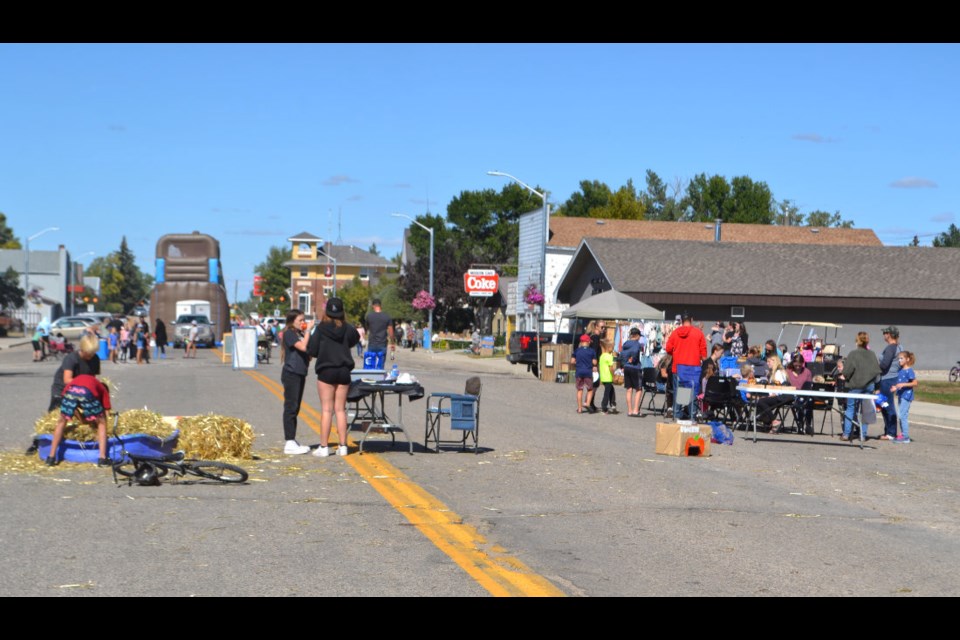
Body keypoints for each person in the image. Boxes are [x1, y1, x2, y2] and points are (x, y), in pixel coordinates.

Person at [308, 297, 360, 457]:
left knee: (326, 410)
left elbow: (312, 350)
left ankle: (324, 447)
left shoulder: (321, 329)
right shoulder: (347, 328)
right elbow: (355, 339)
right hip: (344, 371)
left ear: (327, 311)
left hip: (326, 370)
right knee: (340, 410)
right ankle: (343, 446)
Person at [45, 368, 113, 467]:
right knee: (102, 423)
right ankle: (102, 458)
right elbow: (106, 410)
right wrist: (99, 418)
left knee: (61, 422)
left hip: (70, 391)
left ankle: (51, 457)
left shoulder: (84, 379)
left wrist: (82, 419)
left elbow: (73, 405)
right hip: (87, 392)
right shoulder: (102, 389)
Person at [280, 309, 314, 455]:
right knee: (290, 407)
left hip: (300, 372)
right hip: (291, 373)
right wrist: (309, 331)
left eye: (304, 320)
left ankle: (292, 440)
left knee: (296, 407)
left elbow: (307, 351)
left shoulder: (297, 334)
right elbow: (302, 347)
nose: (303, 323)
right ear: (292, 321)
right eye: (300, 320)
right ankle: (289, 441)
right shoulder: (289, 333)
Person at [839, 331, 882, 442]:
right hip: (869, 386)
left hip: (855, 385)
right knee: (865, 410)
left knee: (850, 408)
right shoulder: (872, 354)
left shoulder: (853, 353)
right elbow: (876, 371)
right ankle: (863, 434)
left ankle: (846, 434)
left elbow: (847, 371)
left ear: (857, 341)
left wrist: (846, 376)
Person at [665, 312, 707, 420]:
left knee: (680, 392)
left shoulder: (675, 333)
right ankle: (692, 418)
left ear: (682, 321)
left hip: (678, 367)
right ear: (691, 320)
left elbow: (668, 349)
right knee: (692, 393)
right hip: (693, 368)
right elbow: (704, 354)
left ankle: (677, 417)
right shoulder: (698, 333)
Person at [877, 326, 903, 441]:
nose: (884, 335)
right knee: (885, 405)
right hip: (893, 378)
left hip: (887, 380)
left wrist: (874, 366)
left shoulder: (890, 348)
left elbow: (884, 365)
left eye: (885, 333)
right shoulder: (899, 347)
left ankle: (891, 433)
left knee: (887, 405)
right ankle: (888, 431)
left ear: (889, 335)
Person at [890, 351, 917, 444]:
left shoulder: (909, 370)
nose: (899, 360)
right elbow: (899, 383)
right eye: (898, 358)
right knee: (901, 415)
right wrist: (895, 387)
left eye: (901, 358)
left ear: (907, 359)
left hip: (907, 395)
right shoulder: (900, 370)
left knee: (902, 416)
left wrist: (903, 384)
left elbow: (915, 383)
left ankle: (905, 437)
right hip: (901, 395)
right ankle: (903, 434)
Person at [620, 327, 645, 418]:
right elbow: (635, 352)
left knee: (629, 389)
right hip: (635, 367)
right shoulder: (637, 344)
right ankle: (635, 410)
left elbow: (622, 354)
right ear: (637, 335)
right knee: (638, 389)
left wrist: (623, 364)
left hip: (626, 367)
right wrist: (633, 359)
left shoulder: (626, 343)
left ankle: (630, 411)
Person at [786, 354, 814, 433]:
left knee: (809, 401)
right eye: (796, 365)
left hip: (804, 393)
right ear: (793, 363)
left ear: (802, 363)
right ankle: (800, 423)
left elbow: (809, 385)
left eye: (799, 365)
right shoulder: (788, 371)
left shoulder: (807, 372)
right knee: (800, 401)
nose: (798, 367)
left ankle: (808, 424)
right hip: (791, 394)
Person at [571, 334, 597, 414]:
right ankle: (588, 403)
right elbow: (594, 362)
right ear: (588, 342)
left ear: (581, 342)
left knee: (580, 390)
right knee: (590, 389)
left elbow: (572, 361)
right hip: (588, 372)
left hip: (579, 372)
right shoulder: (592, 351)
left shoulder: (577, 350)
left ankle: (579, 409)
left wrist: (577, 363)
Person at [364, 298, 394, 367]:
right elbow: (391, 331)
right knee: (380, 365)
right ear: (380, 306)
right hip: (382, 343)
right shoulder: (387, 317)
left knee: (370, 365)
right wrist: (392, 343)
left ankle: (371, 377)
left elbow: (367, 328)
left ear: (373, 306)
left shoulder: (369, 316)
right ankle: (379, 377)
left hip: (372, 343)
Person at [598, 339, 618, 414]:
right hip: (608, 377)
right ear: (609, 347)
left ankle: (613, 403)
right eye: (613, 347)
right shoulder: (609, 357)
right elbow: (611, 368)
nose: (613, 349)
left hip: (603, 377)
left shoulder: (602, 356)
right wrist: (614, 376)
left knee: (611, 390)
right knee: (607, 392)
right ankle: (604, 407)